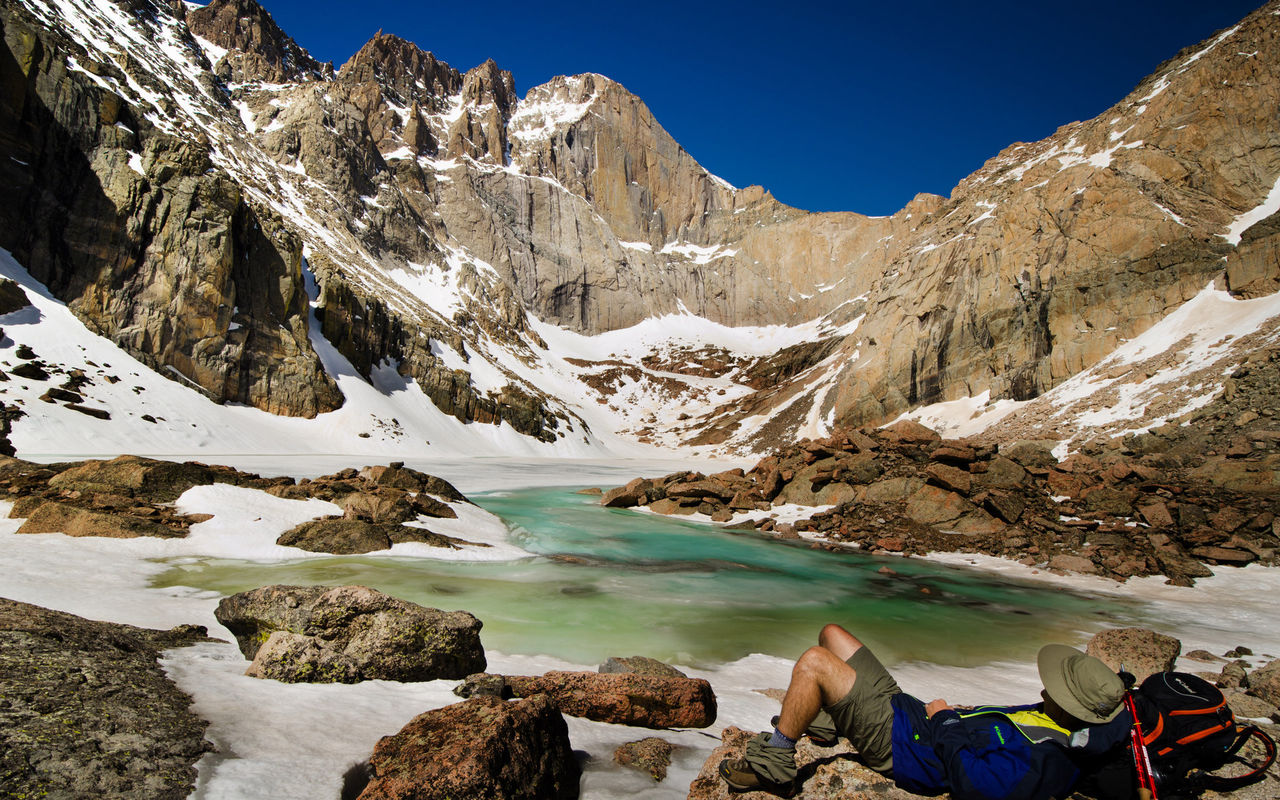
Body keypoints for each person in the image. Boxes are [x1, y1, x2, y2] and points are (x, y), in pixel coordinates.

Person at [719, 624, 1125, 799]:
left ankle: (775, 764)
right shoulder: (1057, 718)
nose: (1043, 686)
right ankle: (827, 721)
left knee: (814, 662)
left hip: (904, 747)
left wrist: (946, 720)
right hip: (908, 713)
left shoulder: (1049, 757)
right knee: (832, 634)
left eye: (1056, 688)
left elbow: (978, 786)